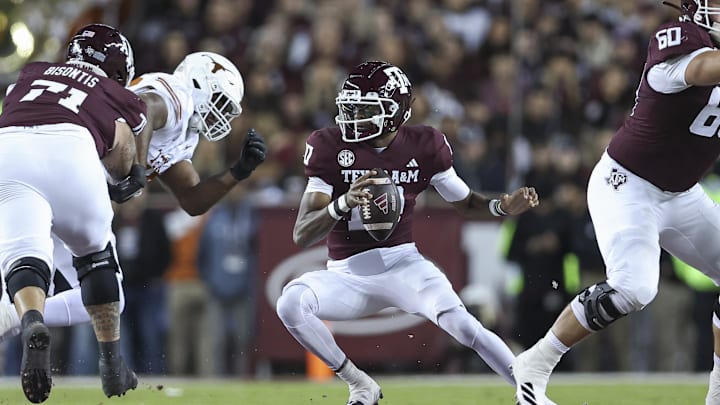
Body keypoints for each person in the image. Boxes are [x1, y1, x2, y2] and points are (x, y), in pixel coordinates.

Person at [274, 61, 543, 405]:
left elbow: (464, 201)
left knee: (462, 324)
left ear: (393, 112)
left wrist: (501, 208)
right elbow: (302, 233)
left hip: (403, 266)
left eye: (364, 108)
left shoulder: (424, 144)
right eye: (350, 106)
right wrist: (343, 203)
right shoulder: (328, 146)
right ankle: (359, 384)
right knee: (291, 303)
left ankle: (531, 395)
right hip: (346, 275)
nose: (352, 116)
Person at [511, 2, 720, 404]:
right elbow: (702, 70)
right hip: (627, 184)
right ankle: (535, 363)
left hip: (682, 193)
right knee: (634, 287)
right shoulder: (680, 40)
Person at [0, 51, 266, 358]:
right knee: (89, 290)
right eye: (219, 102)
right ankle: (21, 319)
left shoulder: (182, 132)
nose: (220, 115)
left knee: (98, 297)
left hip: (68, 188)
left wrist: (238, 172)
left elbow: (192, 198)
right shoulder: (175, 92)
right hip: (69, 182)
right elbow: (146, 110)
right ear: (199, 82)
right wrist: (136, 169)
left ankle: (19, 318)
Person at [0, 23, 145, 402]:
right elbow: (122, 145)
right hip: (71, 148)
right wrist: (129, 174)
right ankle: (112, 364)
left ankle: (31, 320)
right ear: (118, 69)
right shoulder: (113, 90)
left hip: (8, 148)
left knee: (26, 255)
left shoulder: (31, 73)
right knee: (96, 258)